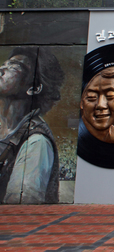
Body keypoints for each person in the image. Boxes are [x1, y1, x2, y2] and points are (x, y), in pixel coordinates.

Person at [0, 47, 64, 203]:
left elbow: (20, 207)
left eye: (13, 67)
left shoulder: (36, 142)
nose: (2, 69)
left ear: (34, 88)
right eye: (4, 64)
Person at [80, 66, 114, 143]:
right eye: (92, 97)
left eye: (110, 95)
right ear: (81, 102)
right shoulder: (74, 133)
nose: (101, 105)